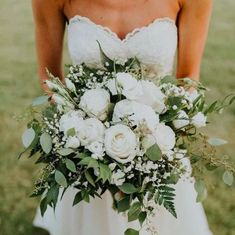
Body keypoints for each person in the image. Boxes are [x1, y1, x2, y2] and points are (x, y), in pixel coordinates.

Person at [32, 0, 214, 234]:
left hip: (157, 150)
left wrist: (149, 149)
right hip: (87, 156)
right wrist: (86, 140)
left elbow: (188, 78)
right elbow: (50, 80)